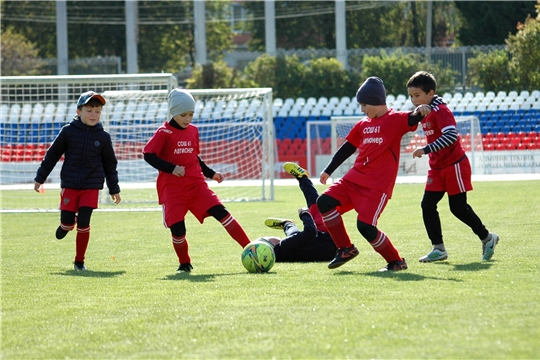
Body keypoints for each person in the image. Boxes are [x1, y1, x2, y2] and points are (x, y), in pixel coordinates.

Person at [316, 76, 432, 271]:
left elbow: (412, 117)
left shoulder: (394, 119)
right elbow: (347, 148)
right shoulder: (363, 124)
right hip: (352, 180)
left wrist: (420, 111)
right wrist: (328, 170)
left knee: (366, 227)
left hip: (376, 187)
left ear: (377, 102)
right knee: (324, 202)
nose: (362, 109)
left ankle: (396, 261)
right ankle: (345, 249)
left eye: (364, 104)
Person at [143, 88, 251, 274]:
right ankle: (184, 263)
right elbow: (148, 154)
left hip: (196, 185)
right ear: (173, 112)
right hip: (173, 190)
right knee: (178, 230)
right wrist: (171, 168)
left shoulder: (193, 131)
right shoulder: (163, 132)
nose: (188, 119)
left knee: (222, 213)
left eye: (191, 114)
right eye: (183, 114)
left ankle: (251, 249)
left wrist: (212, 174)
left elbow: (195, 158)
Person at [407, 71, 499, 262]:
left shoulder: (440, 110)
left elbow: (450, 137)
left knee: (458, 208)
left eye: (417, 95)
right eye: (411, 96)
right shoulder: (423, 110)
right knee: (427, 205)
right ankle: (438, 248)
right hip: (437, 167)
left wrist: (426, 149)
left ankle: (488, 238)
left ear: (431, 93)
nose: (413, 100)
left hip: (454, 165)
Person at [34, 91, 121, 271]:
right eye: (89, 110)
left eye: (97, 111)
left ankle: (79, 261)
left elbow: (110, 165)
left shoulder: (103, 137)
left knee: (84, 222)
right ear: (79, 111)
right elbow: (52, 155)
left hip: (91, 186)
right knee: (67, 224)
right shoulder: (68, 132)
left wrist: (114, 188)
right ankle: (67, 224)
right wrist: (40, 178)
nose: (93, 114)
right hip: (70, 185)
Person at [262, 162, 337, 262]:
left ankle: (287, 224)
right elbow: (310, 231)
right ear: (271, 244)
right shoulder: (284, 245)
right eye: (266, 239)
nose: (268, 238)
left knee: (296, 238)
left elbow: (297, 237)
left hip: (329, 253)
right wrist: (304, 213)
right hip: (329, 238)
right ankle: (302, 177)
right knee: (315, 204)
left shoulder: (282, 256)